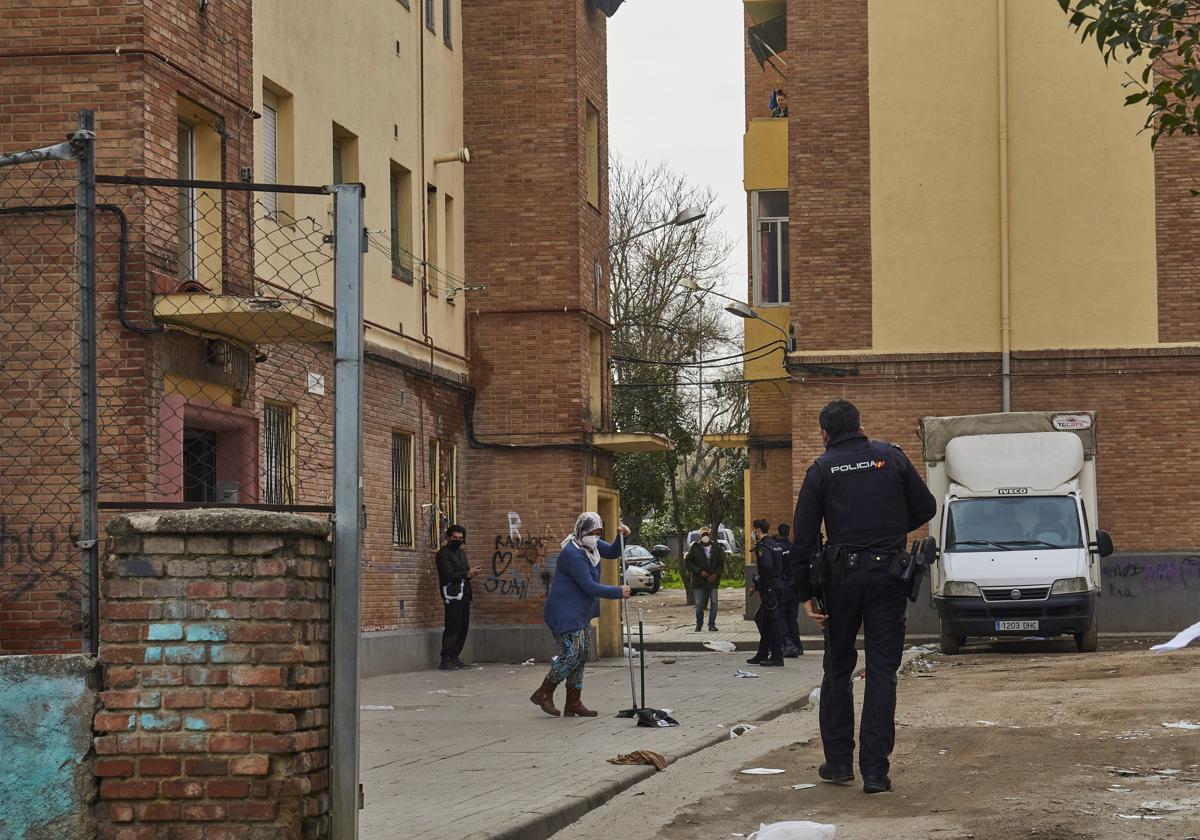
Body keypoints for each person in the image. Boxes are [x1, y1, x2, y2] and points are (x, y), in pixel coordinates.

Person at [792, 399, 936, 794]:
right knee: (882, 673)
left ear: (824, 433)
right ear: (859, 425)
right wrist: (889, 531)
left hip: (840, 581)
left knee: (838, 669)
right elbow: (927, 506)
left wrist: (805, 593)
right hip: (889, 576)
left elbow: (802, 538)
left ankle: (838, 763)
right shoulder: (890, 457)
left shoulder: (822, 468)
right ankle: (875, 772)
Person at [530, 512, 632, 717]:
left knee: (581, 655)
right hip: (565, 611)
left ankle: (573, 702)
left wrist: (622, 537)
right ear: (581, 531)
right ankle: (544, 692)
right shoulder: (573, 553)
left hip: (580, 612)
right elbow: (588, 586)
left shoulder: (591, 546)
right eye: (592, 532)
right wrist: (617, 592)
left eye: (599, 532)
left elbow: (612, 552)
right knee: (571, 654)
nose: (596, 536)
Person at [435, 524, 482, 671]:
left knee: (463, 627)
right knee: (453, 627)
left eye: (460, 538)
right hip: (452, 594)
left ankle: (454, 657)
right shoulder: (443, 554)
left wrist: (470, 573)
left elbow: (464, 571)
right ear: (448, 538)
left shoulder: (461, 553)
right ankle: (446, 658)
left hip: (464, 593)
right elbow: (448, 575)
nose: (457, 540)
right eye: (455, 538)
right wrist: (467, 574)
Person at [747, 519, 786, 667]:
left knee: (772, 623)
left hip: (770, 587)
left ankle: (777, 656)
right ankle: (762, 654)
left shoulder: (763, 546)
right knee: (763, 619)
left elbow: (767, 566)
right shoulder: (775, 544)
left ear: (757, 530)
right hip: (776, 585)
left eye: (754, 530)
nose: (753, 533)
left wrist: (760, 581)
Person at [684, 527, 724, 632]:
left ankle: (711, 624)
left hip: (713, 581)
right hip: (699, 581)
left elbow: (721, 563)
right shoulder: (695, 547)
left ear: (709, 535)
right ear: (700, 536)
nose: (705, 536)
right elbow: (688, 562)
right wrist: (699, 571)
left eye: (707, 534)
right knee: (699, 605)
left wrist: (715, 574)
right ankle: (699, 624)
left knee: (714, 603)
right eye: (703, 535)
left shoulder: (716, 547)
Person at [777, 523, 803, 656]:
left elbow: (778, 569)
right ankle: (798, 645)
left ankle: (788, 644)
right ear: (789, 532)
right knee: (792, 619)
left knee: (781, 617)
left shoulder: (778, 548)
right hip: (794, 587)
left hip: (783, 587)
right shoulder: (793, 547)